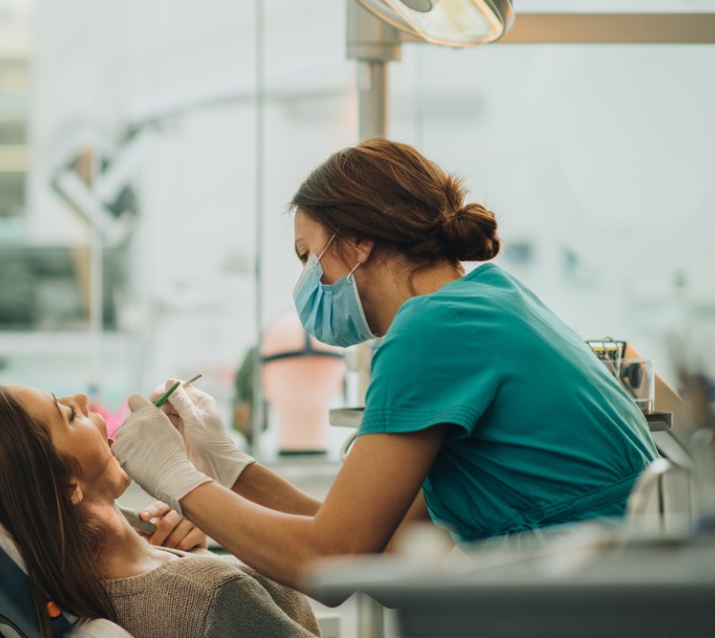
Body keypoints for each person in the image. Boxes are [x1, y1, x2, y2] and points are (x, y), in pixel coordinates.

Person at [113, 138, 659, 590]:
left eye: (307, 257)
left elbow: (331, 560)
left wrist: (177, 479)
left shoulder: (433, 329)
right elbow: (384, 546)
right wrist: (228, 467)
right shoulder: (488, 300)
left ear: (358, 241)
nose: (305, 283)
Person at [0, 381, 321, 638]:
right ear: (67, 486)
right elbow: (332, 553)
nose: (82, 398)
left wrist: (202, 538)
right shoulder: (215, 596)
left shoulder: (61, 593)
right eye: (69, 415)